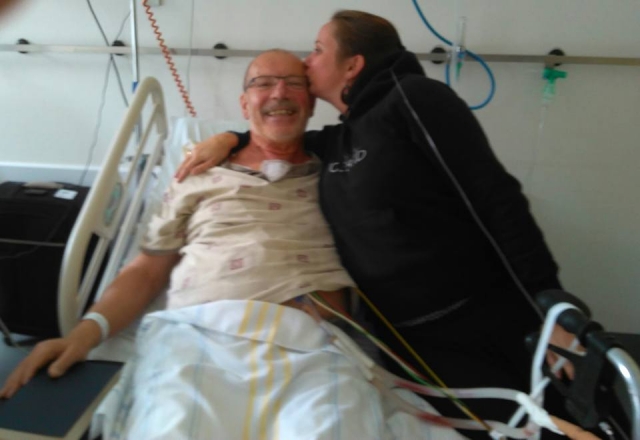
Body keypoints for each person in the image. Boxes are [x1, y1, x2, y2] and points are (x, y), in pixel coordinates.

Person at [1, 49, 474, 440]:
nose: (279, 93)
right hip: (198, 336)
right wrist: (83, 334)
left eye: (293, 83)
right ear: (245, 102)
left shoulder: (342, 171)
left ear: (311, 104)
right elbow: (146, 268)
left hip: (314, 345)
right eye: (263, 83)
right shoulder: (196, 176)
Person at [175, 10, 583, 439]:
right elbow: (277, 139)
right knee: (497, 431)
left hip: (479, 315)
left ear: (353, 65)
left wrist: (550, 307)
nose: (308, 61)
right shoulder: (341, 139)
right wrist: (231, 138)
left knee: (564, 423)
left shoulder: (413, 99)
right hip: (410, 342)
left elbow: (497, 198)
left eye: (318, 50)